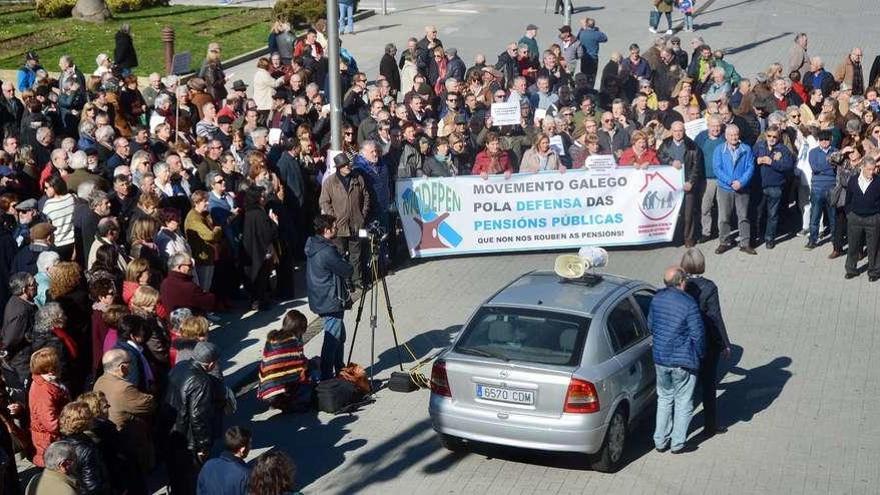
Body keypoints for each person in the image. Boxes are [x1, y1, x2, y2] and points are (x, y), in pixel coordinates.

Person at [649, 266, 705, 454]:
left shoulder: (656, 299)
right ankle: (678, 443)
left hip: (660, 359)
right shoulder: (689, 303)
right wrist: (700, 355)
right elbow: (698, 335)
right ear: (682, 282)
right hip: (683, 361)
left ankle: (659, 440)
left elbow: (651, 325)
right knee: (683, 402)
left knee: (664, 398)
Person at [681, 248, 731, 437]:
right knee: (708, 386)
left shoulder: (680, 284)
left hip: (685, 344)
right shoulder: (709, 287)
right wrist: (724, 343)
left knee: (685, 389)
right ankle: (710, 426)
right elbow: (715, 317)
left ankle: (679, 429)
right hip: (707, 345)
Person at [162, 341, 223, 495]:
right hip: (188, 439)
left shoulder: (180, 366)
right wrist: (203, 446)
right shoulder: (201, 381)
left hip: (171, 431)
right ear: (210, 364)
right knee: (191, 480)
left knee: (177, 477)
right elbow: (198, 417)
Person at [92, 349, 156, 481]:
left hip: (114, 439)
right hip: (130, 441)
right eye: (129, 363)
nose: (131, 366)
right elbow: (148, 405)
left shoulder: (99, 381)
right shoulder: (124, 388)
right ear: (122, 367)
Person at [306, 214, 353, 380]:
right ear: (326, 230)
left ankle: (339, 367)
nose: (336, 229)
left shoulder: (313, 245)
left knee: (339, 334)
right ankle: (327, 377)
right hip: (330, 299)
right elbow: (346, 270)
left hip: (321, 297)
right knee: (332, 338)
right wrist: (346, 261)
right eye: (334, 227)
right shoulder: (326, 251)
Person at [319, 154, 370, 290]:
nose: (348, 167)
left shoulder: (357, 178)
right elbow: (324, 201)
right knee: (340, 255)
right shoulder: (330, 182)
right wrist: (333, 218)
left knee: (356, 253)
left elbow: (365, 196)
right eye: (344, 165)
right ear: (339, 168)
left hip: (356, 223)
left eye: (348, 164)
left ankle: (357, 279)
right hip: (338, 226)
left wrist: (362, 214)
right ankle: (345, 281)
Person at [713, 124, 757, 254]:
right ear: (726, 136)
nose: (734, 137)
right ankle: (724, 241)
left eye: (736, 134)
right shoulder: (719, 150)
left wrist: (741, 182)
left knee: (743, 216)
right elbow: (717, 168)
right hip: (725, 188)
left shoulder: (746, 149)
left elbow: (750, 167)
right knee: (724, 217)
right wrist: (730, 181)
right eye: (731, 135)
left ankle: (745, 243)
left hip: (742, 188)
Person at [257, 310, 312, 412]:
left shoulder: (272, 339)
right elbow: (301, 367)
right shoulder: (293, 342)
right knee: (313, 376)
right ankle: (289, 402)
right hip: (282, 388)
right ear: (298, 329)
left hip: (266, 388)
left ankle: (279, 401)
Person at [753, 125, 796, 248]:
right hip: (759, 185)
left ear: (779, 137)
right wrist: (757, 160)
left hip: (775, 186)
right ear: (765, 135)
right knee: (758, 213)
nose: (771, 138)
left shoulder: (783, 149)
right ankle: (756, 236)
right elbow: (749, 159)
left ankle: (769, 238)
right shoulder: (759, 145)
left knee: (773, 214)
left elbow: (788, 166)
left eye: (774, 136)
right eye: (769, 136)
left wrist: (773, 162)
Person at [29, 347, 71, 467]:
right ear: (51, 369)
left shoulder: (49, 382)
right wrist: (71, 425)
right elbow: (50, 423)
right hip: (49, 441)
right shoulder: (44, 390)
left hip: (50, 438)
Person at [844, 156, 879, 281]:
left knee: (873, 247)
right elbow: (848, 199)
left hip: (872, 219)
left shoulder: (878, 181)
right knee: (853, 245)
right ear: (862, 168)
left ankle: (874, 272)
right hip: (855, 218)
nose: (872, 172)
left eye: (873, 169)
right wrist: (849, 214)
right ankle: (851, 269)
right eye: (869, 169)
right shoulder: (853, 181)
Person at [1, 272, 37, 383]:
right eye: (33, 284)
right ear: (23, 289)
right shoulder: (21, 312)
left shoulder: (18, 301)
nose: (37, 285)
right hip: (21, 361)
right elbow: (11, 339)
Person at [196, 426, 252, 495]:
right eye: (250, 444)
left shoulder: (208, 465)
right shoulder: (245, 474)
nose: (250, 447)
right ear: (242, 449)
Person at [806, 129, 838, 250]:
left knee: (833, 217)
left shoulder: (835, 151)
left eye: (826, 139)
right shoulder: (813, 152)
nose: (824, 142)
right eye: (822, 139)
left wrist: (825, 168)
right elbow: (815, 168)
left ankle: (836, 241)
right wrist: (830, 165)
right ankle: (812, 240)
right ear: (819, 140)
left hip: (832, 187)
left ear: (831, 140)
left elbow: (837, 169)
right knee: (815, 216)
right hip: (817, 188)